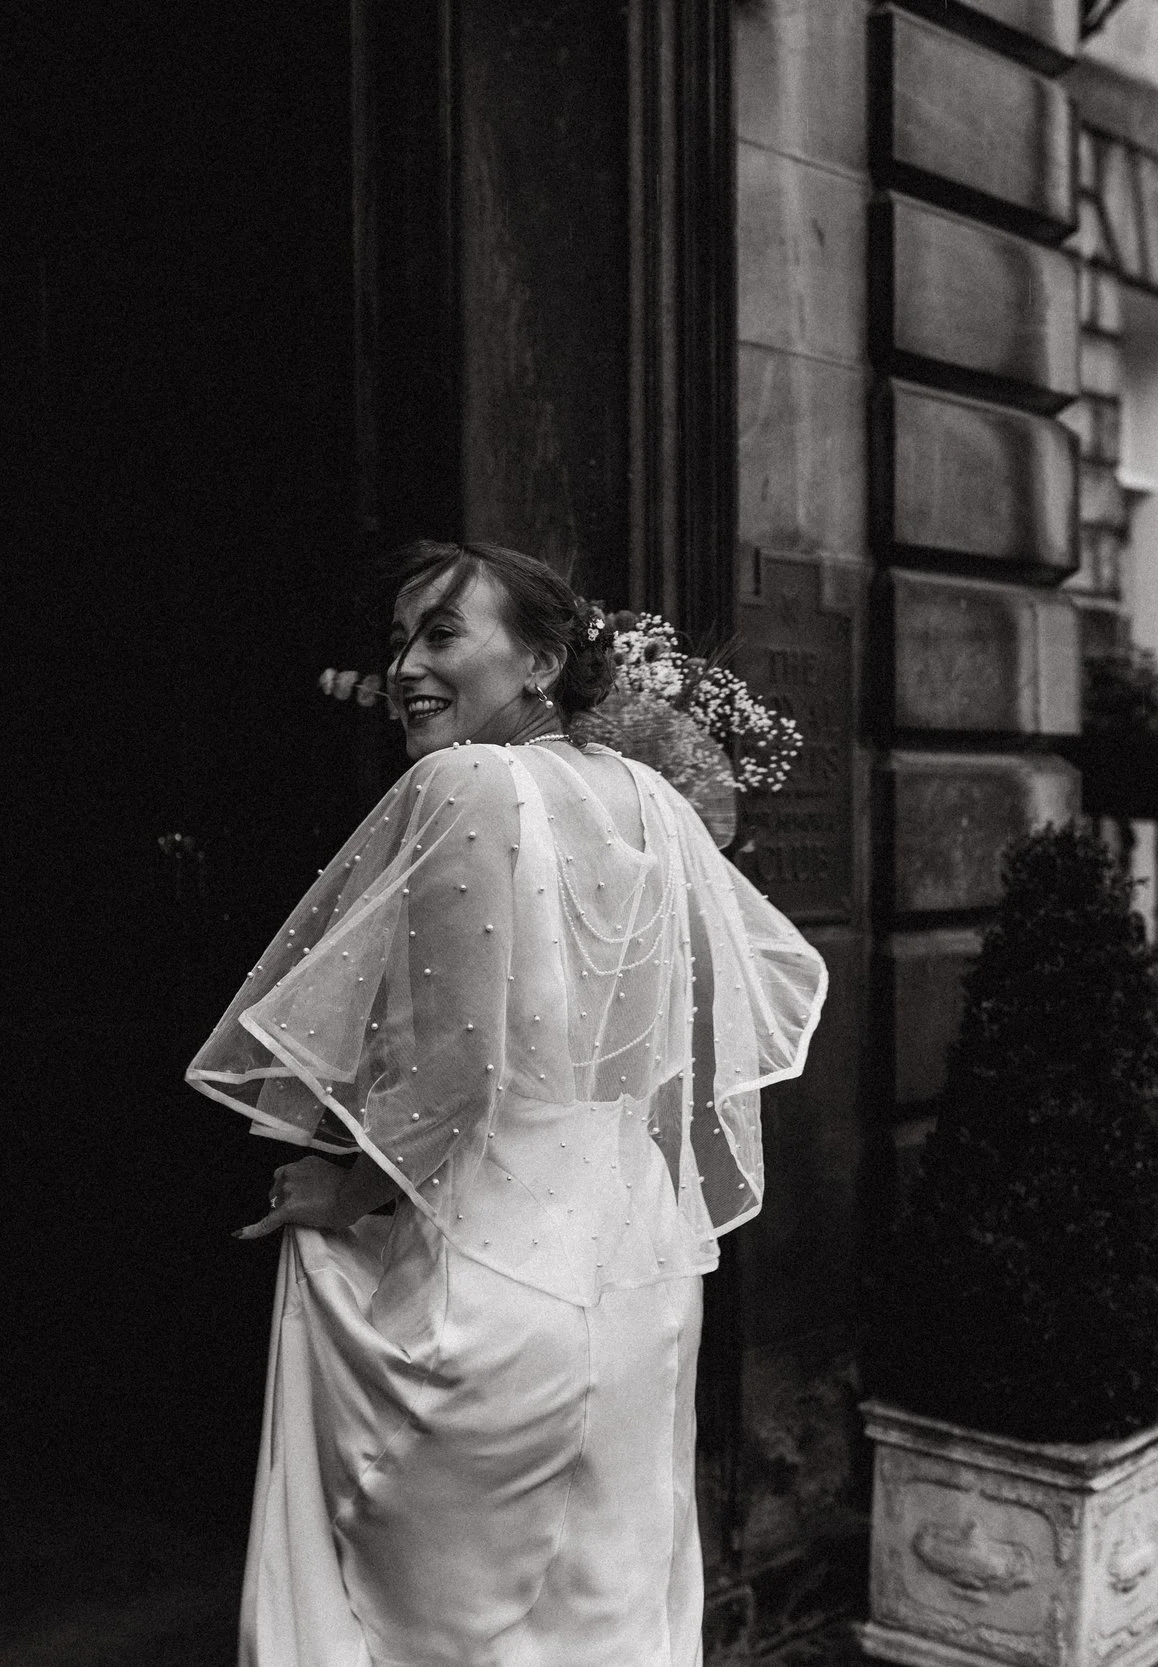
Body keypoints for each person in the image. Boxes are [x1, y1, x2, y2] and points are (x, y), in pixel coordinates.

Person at [188, 540, 826, 1666]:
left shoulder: (465, 782)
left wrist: (338, 1188)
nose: (404, 668)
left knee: (430, 1631)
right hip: (641, 1275)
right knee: (601, 1615)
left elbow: (459, 1069)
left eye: (440, 634)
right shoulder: (653, 801)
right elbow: (745, 996)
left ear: (540, 659)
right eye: (397, 643)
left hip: (497, 1276)